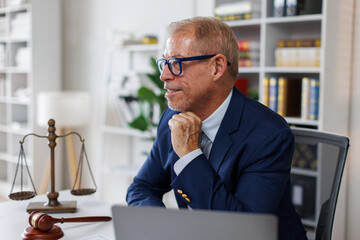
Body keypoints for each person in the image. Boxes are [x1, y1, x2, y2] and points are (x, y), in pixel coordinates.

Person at [126, 16, 307, 240]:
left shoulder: (269, 135)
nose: (164, 75)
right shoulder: (173, 118)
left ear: (217, 67)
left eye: (176, 63)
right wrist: (163, 227)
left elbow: (241, 231)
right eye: (164, 63)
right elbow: (142, 188)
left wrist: (190, 154)